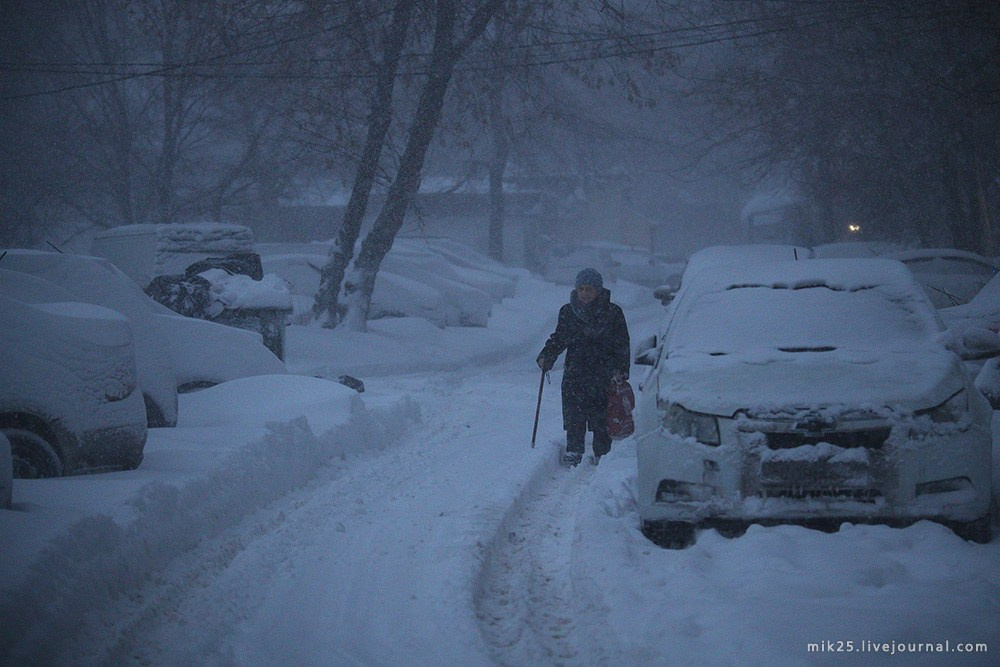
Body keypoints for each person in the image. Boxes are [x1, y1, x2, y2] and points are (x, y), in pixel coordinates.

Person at [536, 267, 631, 466]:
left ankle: (602, 451)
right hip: (575, 371)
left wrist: (621, 370)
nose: (585, 293)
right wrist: (547, 355)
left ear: (598, 289)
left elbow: (622, 343)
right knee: (574, 414)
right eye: (581, 289)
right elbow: (559, 338)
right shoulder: (568, 312)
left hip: (603, 372)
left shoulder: (613, 312)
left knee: (601, 414)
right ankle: (573, 449)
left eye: (589, 289)